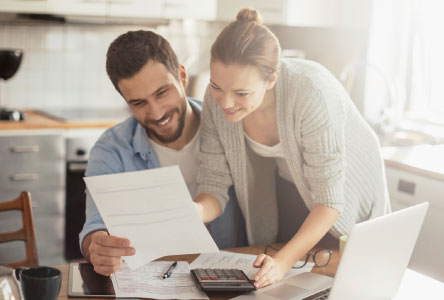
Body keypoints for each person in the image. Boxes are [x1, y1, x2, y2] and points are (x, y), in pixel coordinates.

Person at [194, 8, 391, 288]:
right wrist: (195, 211)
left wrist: (283, 262)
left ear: (271, 79)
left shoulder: (311, 92)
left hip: (347, 184)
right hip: (291, 178)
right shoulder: (217, 100)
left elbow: (329, 201)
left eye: (241, 93)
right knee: (289, 270)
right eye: (216, 87)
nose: (224, 103)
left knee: (343, 267)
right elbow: (213, 183)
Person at [79, 30, 246, 276]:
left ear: (182, 75)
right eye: (138, 103)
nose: (156, 113)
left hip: (232, 276)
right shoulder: (111, 149)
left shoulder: (228, 127)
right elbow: (94, 228)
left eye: (161, 93)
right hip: (153, 280)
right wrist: (98, 246)